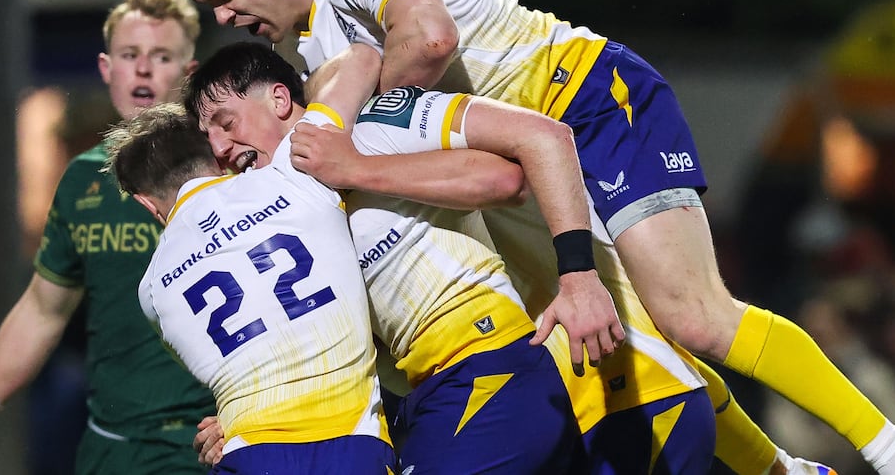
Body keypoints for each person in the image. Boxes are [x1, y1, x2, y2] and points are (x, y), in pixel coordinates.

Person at [162, 0, 895, 475]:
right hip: (527, 164)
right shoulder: (307, 49)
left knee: (691, 312)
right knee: (629, 330)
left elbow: (430, 37)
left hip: (585, 99)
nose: (224, 18)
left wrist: (364, 134)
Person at [185, 42, 715, 474]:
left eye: (227, 122)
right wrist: (257, 417)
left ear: (280, 99)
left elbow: (514, 167)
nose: (222, 148)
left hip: (511, 369)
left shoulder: (374, 120)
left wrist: (578, 275)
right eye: (210, 141)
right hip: (443, 395)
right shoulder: (281, 220)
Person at [0, 0, 215, 475]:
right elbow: (43, 308)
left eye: (162, 56)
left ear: (189, 73)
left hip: (207, 442)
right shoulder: (83, 178)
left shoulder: (228, 163)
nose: (144, 69)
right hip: (110, 446)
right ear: (107, 68)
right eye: (130, 55)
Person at [103, 50, 396, 474]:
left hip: (249, 454)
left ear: (146, 203)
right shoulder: (292, 173)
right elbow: (361, 59)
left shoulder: (151, 290)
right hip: (351, 445)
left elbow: (237, 364)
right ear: (215, 158)